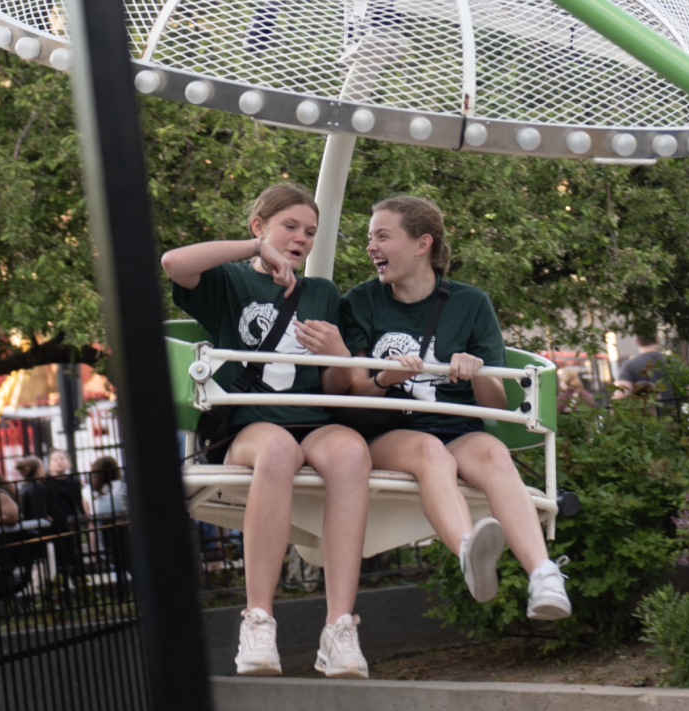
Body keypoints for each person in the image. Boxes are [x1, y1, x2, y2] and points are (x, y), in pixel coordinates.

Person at [162, 182, 372, 679]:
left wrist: (340, 353)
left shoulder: (321, 292)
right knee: (277, 450)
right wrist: (257, 250)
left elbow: (334, 386)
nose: (301, 238)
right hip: (252, 428)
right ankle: (258, 619)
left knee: (351, 452)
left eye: (311, 232)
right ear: (260, 226)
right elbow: (174, 263)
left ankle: (340, 627)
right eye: (289, 227)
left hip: (312, 421)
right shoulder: (230, 283)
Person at [341, 195, 571, 621]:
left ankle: (544, 576)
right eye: (369, 238)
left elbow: (493, 407)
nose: (370, 247)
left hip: (457, 427)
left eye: (382, 236)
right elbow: (352, 388)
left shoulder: (470, 303)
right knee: (430, 454)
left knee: (493, 454)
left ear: (421, 243)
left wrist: (477, 371)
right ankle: (469, 550)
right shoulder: (360, 301)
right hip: (390, 430)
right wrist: (386, 378)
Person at [613, 333, 673, 402]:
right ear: (657, 339)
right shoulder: (673, 362)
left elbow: (622, 394)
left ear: (636, 341)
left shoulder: (630, 365)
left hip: (648, 411)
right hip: (677, 410)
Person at [15, 456, 50, 521]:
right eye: (42, 467)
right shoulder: (38, 487)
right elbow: (39, 513)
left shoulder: (25, 487)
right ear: (37, 471)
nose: (44, 470)